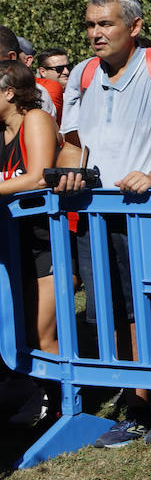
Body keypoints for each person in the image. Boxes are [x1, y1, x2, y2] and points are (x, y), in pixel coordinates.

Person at [56, 0, 151, 447]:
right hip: (98, 213)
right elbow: (73, 144)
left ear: (134, 26)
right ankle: (138, 403)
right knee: (114, 309)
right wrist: (68, 175)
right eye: (90, 25)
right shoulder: (83, 73)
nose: (96, 33)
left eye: (105, 24)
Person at [0, 63, 61, 367]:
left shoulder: (35, 118)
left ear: (9, 92)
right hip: (14, 242)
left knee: (40, 335)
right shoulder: (2, 131)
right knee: (17, 333)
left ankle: (70, 392)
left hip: (48, 242)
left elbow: (38, 176)